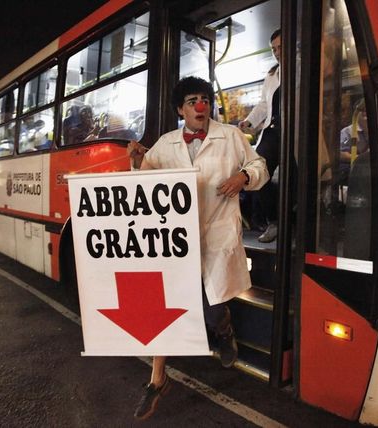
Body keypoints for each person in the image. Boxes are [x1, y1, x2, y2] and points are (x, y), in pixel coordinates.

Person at [127, 76, 268, 420]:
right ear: (181, 109)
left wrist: (244, 178)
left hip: (217, 234)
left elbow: (259, 165)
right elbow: (143, 181)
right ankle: (157, 379)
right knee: (166, 304)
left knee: (212, 305)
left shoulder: (231, 136)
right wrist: (135, 160)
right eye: (192, 101)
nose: (200, 106)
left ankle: (224, 332)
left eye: (204, 99)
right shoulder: (166, 143)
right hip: (176, 240)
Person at [238, 29, 281, 243]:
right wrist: (250, 122)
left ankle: (297, 224)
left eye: (281, 47)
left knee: (300, 178)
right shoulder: (272, 75)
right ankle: (273, 221)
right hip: (274, 130)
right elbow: (264, 104)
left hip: (297, 130)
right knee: (258, 170)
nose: (277, 53)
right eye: (274, 49)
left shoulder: (305, 64)